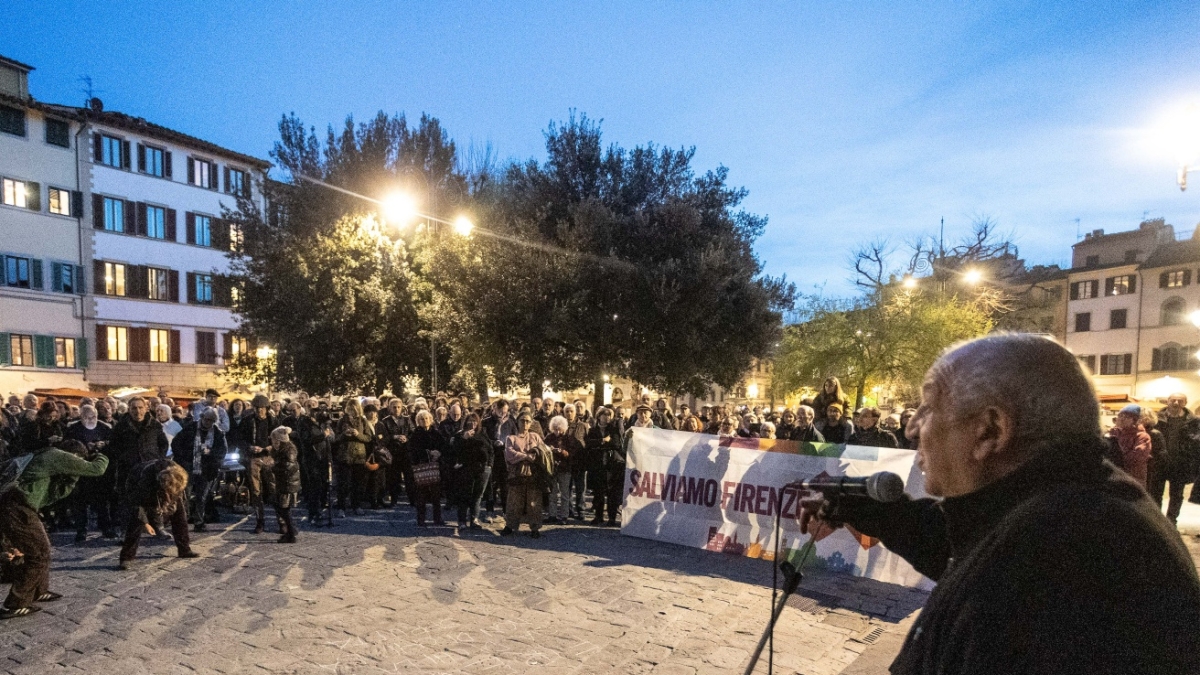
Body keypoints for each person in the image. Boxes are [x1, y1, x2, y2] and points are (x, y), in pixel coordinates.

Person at [800, 334, 1200, 674]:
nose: (912, 426)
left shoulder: (1061, 554)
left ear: (990, 430)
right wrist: (857, 504)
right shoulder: (1063, 504)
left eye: (929, 407)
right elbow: (960, 544)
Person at [0, 439, 109, 618]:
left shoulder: (47, 457)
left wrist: (73, 476)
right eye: (77, 461)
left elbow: (54, 496)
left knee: (42, 549)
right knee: (39, 554)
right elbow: (97, 469)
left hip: (19, 507)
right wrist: (101, 453)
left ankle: (39, 591)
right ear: (72, 456)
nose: (76, 465)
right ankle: (15, 604)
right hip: (18, 508)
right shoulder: (55, 455)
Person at [117, 460, 198, 570]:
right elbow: (137, 504)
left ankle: (185, 549)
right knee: (136, 523)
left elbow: (178, 497)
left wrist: (169, 506)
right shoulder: (146, 478)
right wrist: (145, 523)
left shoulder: (179, 475)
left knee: (180, 515)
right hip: (136, 482)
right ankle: (126, 557)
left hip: (168, 482)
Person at [170, 408, 227, 531]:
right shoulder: (190, 428)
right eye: (206, 419)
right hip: (188, 467)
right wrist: (183, 460)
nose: (208, 422)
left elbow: (222, 451)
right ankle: (182, 522)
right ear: (201, 417)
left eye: (211, 420)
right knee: (185, 495)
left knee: (202, 497)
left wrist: (210, 453)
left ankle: (199, 522)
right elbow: (176, 443)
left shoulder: (217, 433)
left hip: (206, 469)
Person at [66, 404, 117, 541]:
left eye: (93, 416)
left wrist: (103, 444)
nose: (91, 419)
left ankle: (106, 528)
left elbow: (113, 444)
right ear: (81, 417)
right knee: (80, 502)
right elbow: (68, 446)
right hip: (81, 469)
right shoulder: (73, 429)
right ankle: (81, 530)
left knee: (102, 500)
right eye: (87, 417)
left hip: (100, 469)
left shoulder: (105, 428)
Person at [1155, 393, 1200, 522]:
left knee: (1177, 495)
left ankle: (1171, 521)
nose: (1176, 403)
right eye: (1173, 400)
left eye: (1179, 401)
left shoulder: (1194, 421)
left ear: (1185, 403)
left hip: (1181, 464)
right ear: (1167, 402)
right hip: (1161, 462)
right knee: (1156, 494)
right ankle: (1158, 522)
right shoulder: (1158, 419)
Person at [239, 395, 278, 533]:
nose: (259, 411)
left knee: (273, 489)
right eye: (256, 408)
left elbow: (279, 440)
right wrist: (249, 447)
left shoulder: (273, 421)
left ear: (266, 408)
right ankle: (259, 521)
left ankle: (281, 520)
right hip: (253, 458)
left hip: (268, 458)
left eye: (261, 408)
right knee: (256, 491)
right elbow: (240, 439)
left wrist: (266, 448)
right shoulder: (247, 421)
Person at [502, 412, 544, 537]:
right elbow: (509, 454)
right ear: (517, 422)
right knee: (514, 500)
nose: (525, 423)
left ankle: (535, 527)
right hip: (516, 474)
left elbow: (542, 452)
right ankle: (510, 525)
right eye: (522, 420)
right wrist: (526, 456)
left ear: (531, 423)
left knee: (534, 501)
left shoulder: (535, 437)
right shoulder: (511, 438)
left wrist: (532, 457)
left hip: (533, 474)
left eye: (527, 421)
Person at [448, 413, 491, 529]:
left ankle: (474, 519)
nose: (472, 424)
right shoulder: (460, 435)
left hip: (482, 469)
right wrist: (464, 438)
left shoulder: (482, 434)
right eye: (470, 421)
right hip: (465, 468)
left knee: (477, 496)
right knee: (464, 495)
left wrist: (489, 465)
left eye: (475, 421)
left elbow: (490, 449)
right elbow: (454, 451)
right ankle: (462, 520)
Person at [333, 399, 373, 517]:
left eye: (354, 408)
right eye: (349, 408)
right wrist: (344, 435)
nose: (352, 411)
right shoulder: (341, 420)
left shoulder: (363, 421)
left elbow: (369, 438)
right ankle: (341, 507)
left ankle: (357, 505)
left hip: (359, 455)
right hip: (344, 455)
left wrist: (358, 434)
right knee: (343, 483)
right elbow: (336, 438)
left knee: (358, 483)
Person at [481, 400, 518, 517]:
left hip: (505, 456)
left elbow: (515, 438)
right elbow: (482, 439)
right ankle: (489, 510)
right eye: (500, 411)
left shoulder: (511, 422)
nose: (503, 414)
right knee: (491, 485)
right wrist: (493, 442)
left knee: (505, 485)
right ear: (494, 408)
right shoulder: (486, 422)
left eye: (505, 411)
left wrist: (506, 444)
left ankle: (506, 510)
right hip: (491, 456)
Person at [408, 410, 445, 526]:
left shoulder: (436, 433)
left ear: (431, 419)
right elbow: (412, 451)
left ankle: (437, 518)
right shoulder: (415, 434)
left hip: (435, 467)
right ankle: (421, 519)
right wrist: (427, 453)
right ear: (418, 421)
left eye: (426, 418)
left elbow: (444, 446)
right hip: (421, 467)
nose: (425, 421)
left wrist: (438, 453)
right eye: (422, 419)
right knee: (421, 495)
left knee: (436, 495)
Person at [544, 416, 581, 524]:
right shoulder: (549, 437)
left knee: (565, 494)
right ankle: (552, 515)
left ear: (564, 428)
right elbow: (543, 448)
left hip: (565, 468)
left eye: (560, 429)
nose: (558, 431)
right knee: (552, 494)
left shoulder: (569, 438)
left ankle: (564, 516)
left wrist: (562, 452)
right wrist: (549, 449)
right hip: (552, 468)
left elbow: (572, 453)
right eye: (555, 429)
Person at [380, 398, 414, 508]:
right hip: (393, 452)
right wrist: (394, 437)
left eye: (399, 407)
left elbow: (413, 433)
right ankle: (393, 500)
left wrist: (407, 438)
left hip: (405, 452)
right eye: (394, 407)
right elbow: (383, 437)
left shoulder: (407, 419)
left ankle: (412, 500)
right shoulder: (385, 421)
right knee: (393, 478)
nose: (397, 409)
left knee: (409, 477)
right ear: (390, 408)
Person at [269, 426, 300, 543]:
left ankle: (291, 533)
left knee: (284, 508)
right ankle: (292, 530)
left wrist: (273, 467)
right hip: (283, 482)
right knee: (281, 507)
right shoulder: (279, 450)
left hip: (288, 483)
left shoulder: (289, 449)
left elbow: (289, 466)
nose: (273, 443)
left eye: (275, 441)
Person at [1109, 404, 1152, 488]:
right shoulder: (1113, 433)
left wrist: (1116, 459)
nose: (1121, 419)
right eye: (1120, 416)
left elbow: (1137, 457)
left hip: (1133, 478)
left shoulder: (1142, 436)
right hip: (1113, 476)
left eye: (1126, 417)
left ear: (1135, 421)